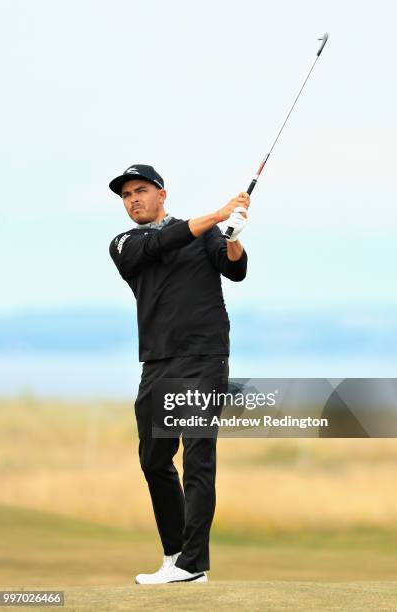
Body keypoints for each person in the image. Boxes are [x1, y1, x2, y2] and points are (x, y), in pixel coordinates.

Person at [109, 164, 249, 584]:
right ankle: (175, 555)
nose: (133, 198)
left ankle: (192, 564)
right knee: (153, 459)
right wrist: (220, 213)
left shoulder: (203, 232)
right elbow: (165, 241)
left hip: (205, 358)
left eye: (141, 190)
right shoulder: (124, 243)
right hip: (158, 362)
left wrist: (234, 237)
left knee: (197, 457)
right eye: (126, 194)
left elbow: (234, 269)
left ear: (161, 194)